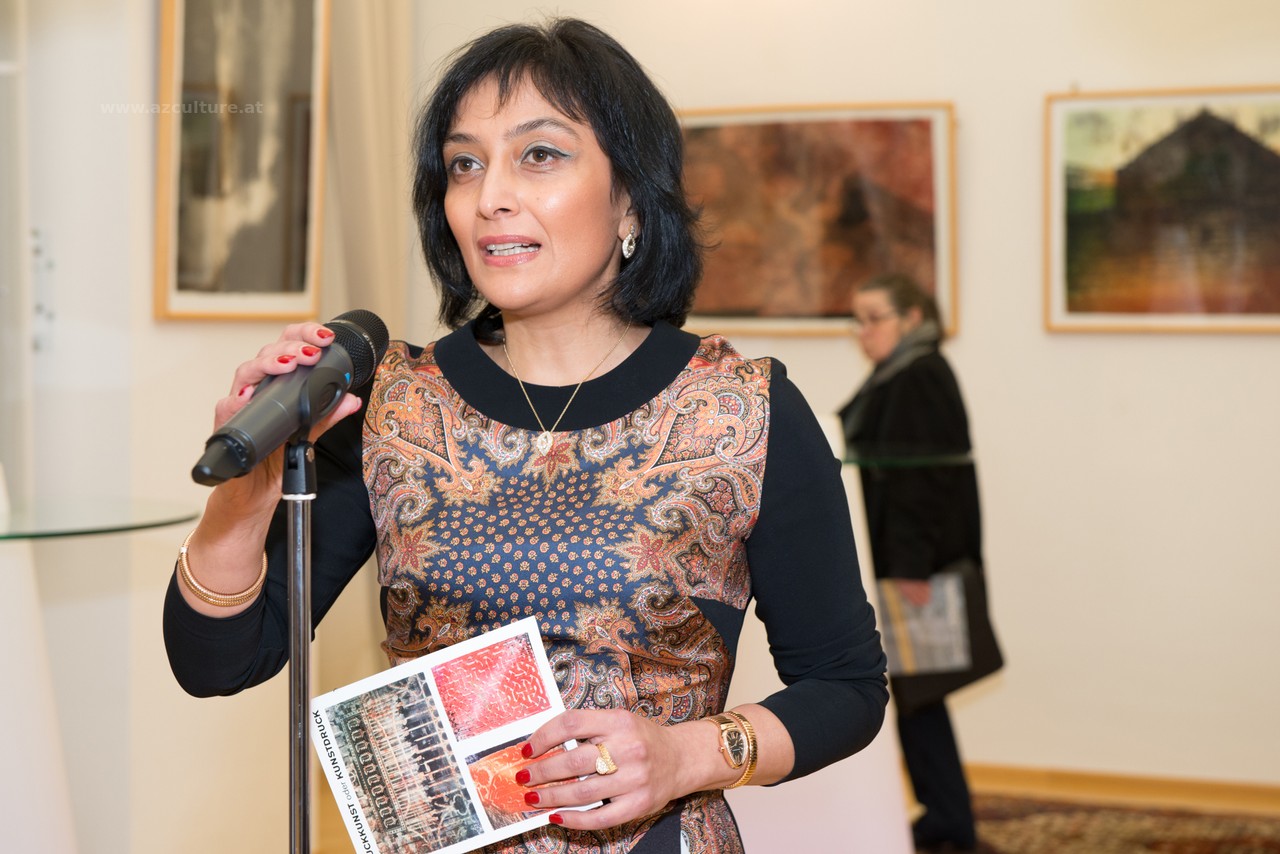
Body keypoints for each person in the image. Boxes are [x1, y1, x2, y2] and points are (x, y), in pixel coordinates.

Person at [164, 18, 887, 854]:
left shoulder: (741, 410)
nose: (489, 196)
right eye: (464, 164)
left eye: (539, 154)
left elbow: (846, 687)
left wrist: (684, 756)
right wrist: (243, 497)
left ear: (630, 197)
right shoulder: (393, 406)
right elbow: (218, 664)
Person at [838, 273, 991, 853]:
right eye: (858, 320)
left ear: (911, 319)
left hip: (917, 569)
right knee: (918, 695)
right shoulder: (908, 370)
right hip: (914, 561)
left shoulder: (917, 375)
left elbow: (921, 485)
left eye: (874, 318)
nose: (864, 331)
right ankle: (942, 817)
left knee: (921, 696)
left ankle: (949, 824)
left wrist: (909, 570)